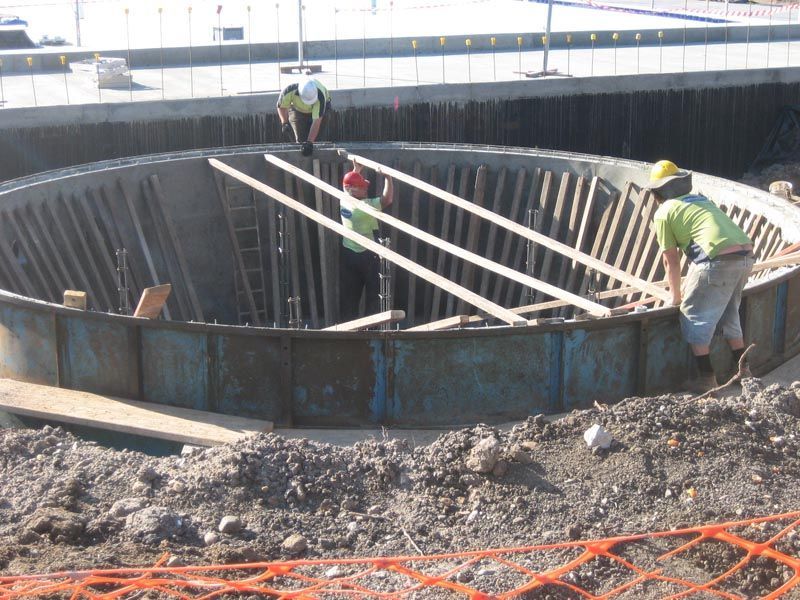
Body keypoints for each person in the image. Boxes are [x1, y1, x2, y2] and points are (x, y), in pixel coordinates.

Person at [644, 160, 755, 392]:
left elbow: (670, 260)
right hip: (745, 255)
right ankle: (745, 373)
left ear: (657, 191)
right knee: (729, 313)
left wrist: (675, 297)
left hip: (716, 261)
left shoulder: (664, 211)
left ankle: (706, 379)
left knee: (692, 316)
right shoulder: (702, 201)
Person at [339, 160, 394, 322]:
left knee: (350, 298)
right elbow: (387, 200)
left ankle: (347, 331)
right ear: (353, 189)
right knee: (374, 298)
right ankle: (373, 332)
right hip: (368, 256)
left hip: (348, 253)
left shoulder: (343, 199)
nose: (366, 189)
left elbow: (346, 185)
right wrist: (388, 178)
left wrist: (356, 170)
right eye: (362, 187)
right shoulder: (365, 208)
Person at [276, 76, 331, 156]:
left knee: (316, 143)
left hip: (322, 108)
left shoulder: (320, 96)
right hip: (297, 109)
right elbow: (281, 106)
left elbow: (316, 122)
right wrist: (284, 122)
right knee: (301, 143)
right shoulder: (289, 90)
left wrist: (309, 142)